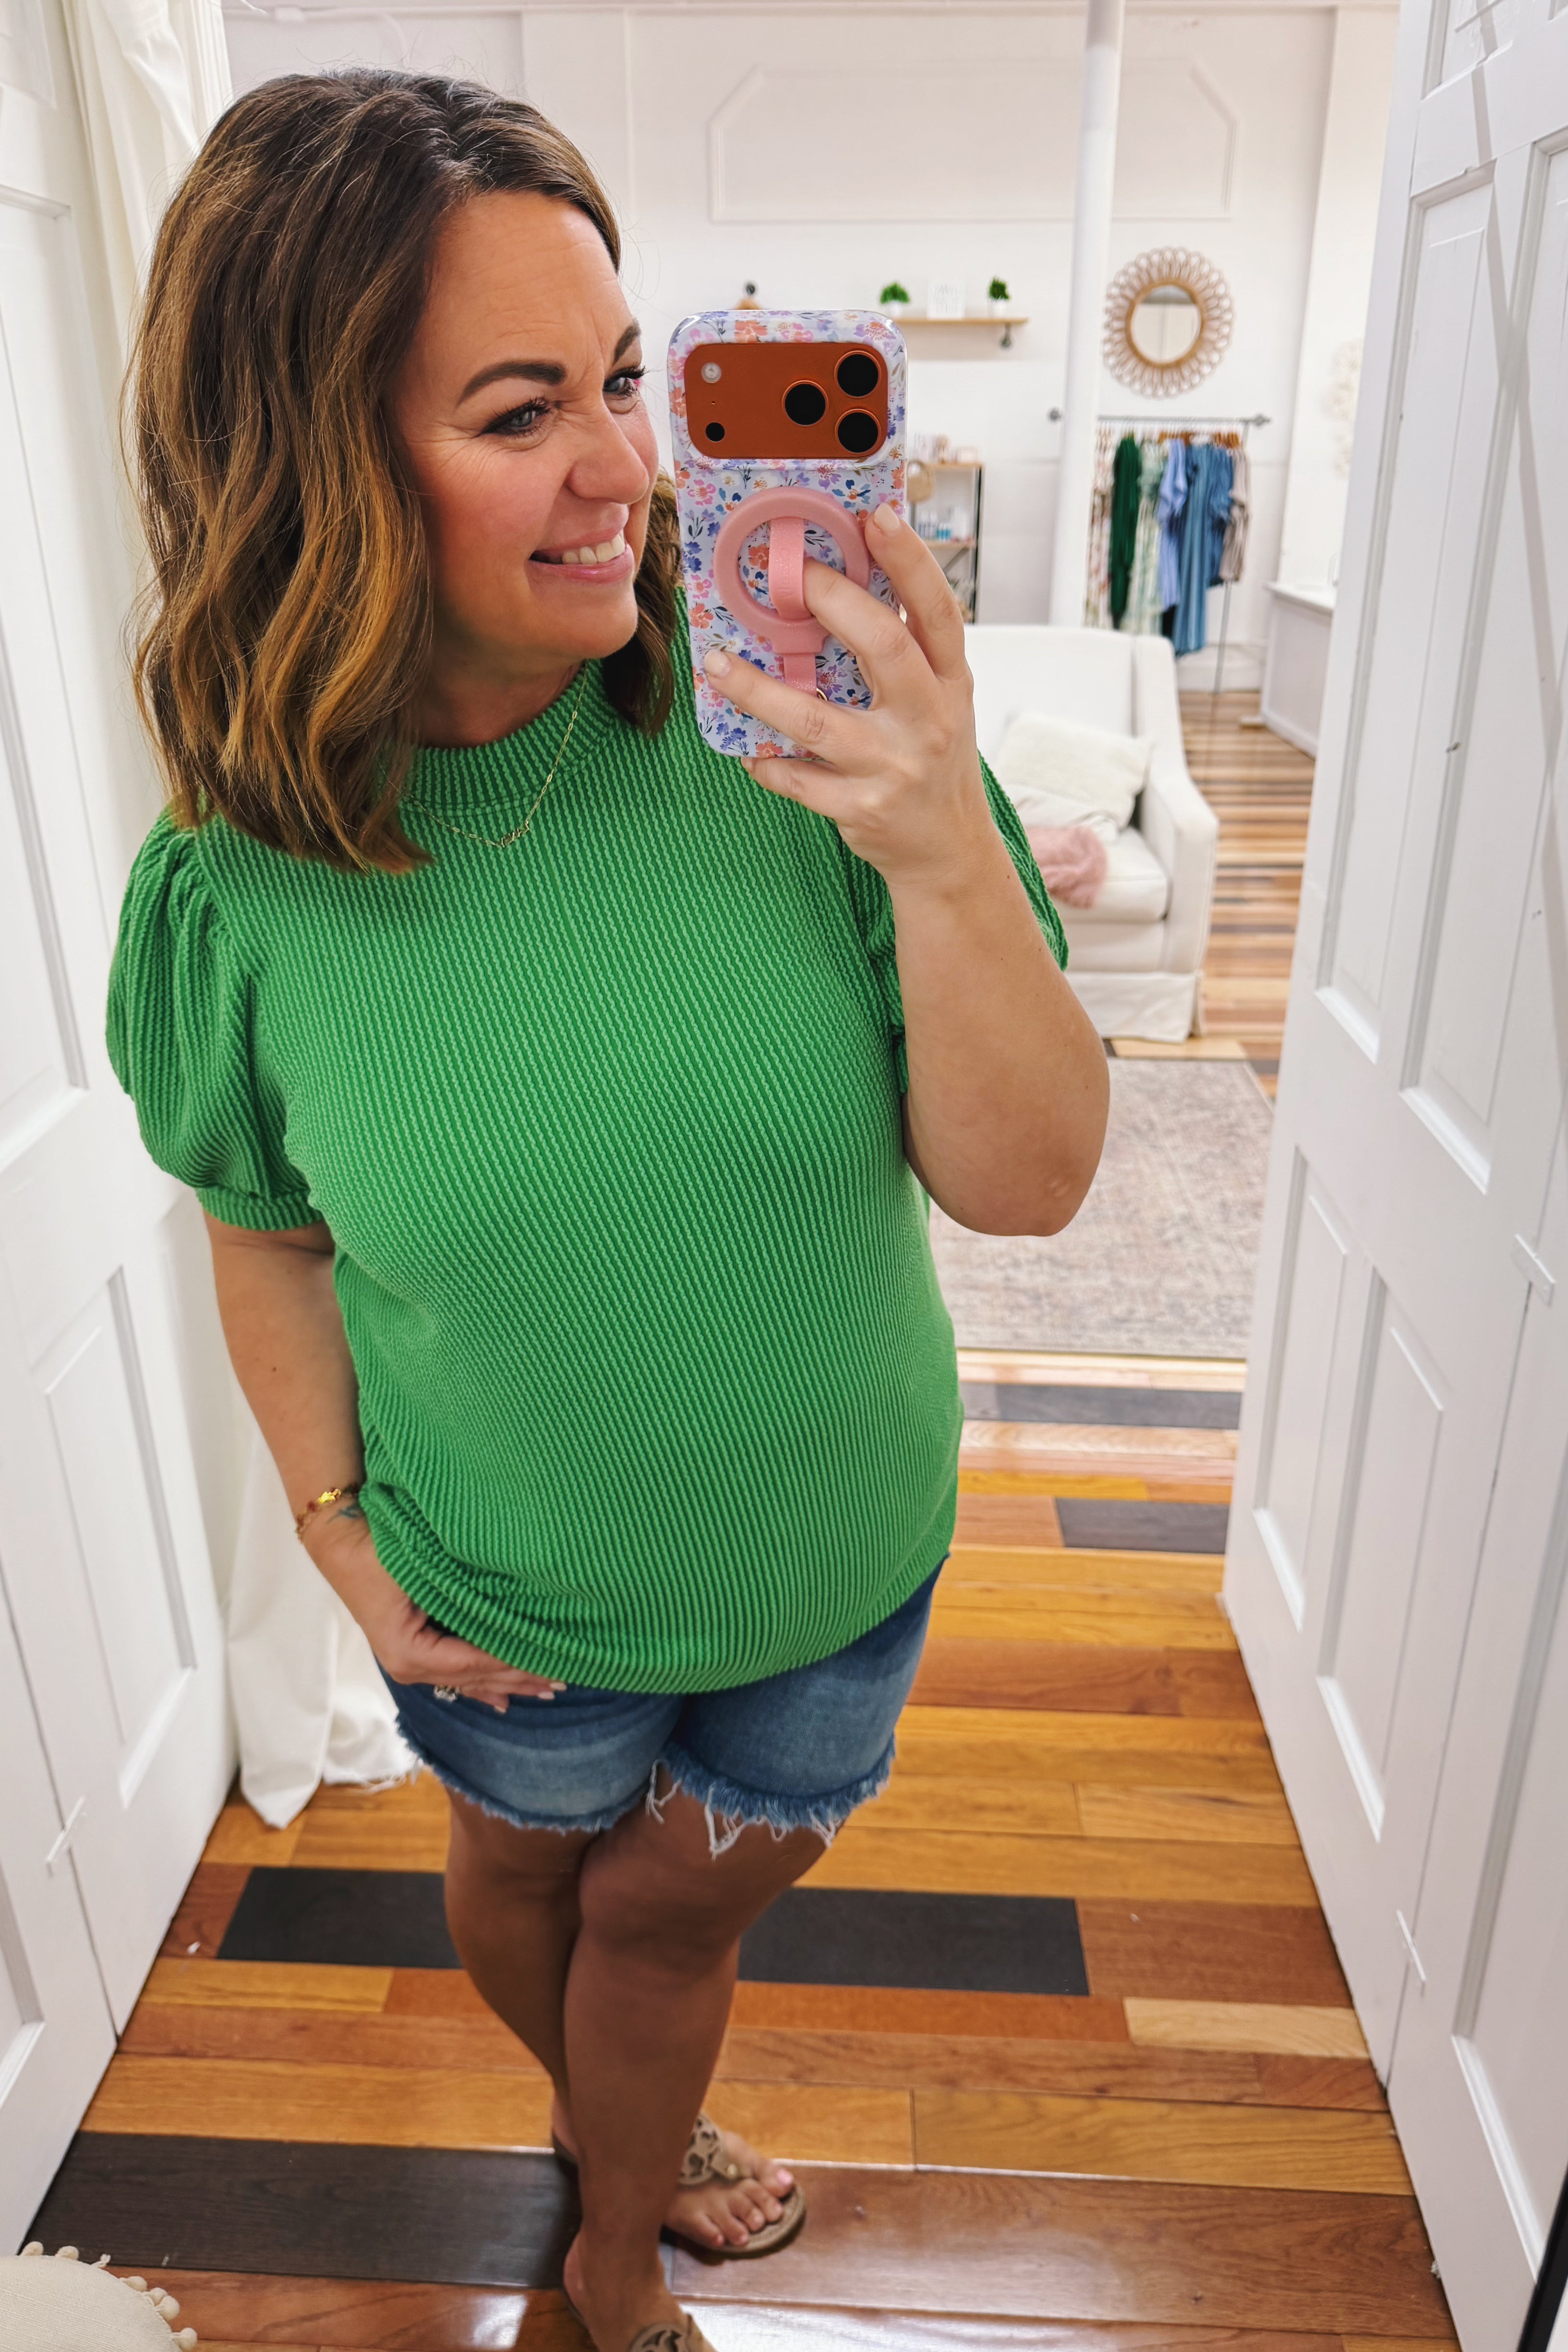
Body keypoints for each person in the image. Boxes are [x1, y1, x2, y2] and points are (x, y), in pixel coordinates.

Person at [108, 69, 1109, 2352]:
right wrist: (337, 1539)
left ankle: (605, 2230)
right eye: (520, 409)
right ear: (309, 466)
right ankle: (615, 2142)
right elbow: (262, 1226)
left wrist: (940, 847)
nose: (631, 468)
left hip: (827, 1569)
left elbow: (1033, 1181)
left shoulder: (798, 744)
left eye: (629, 378)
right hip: (500, 1597)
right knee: (521, 1872)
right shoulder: (232, 887)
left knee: (669, 1919)